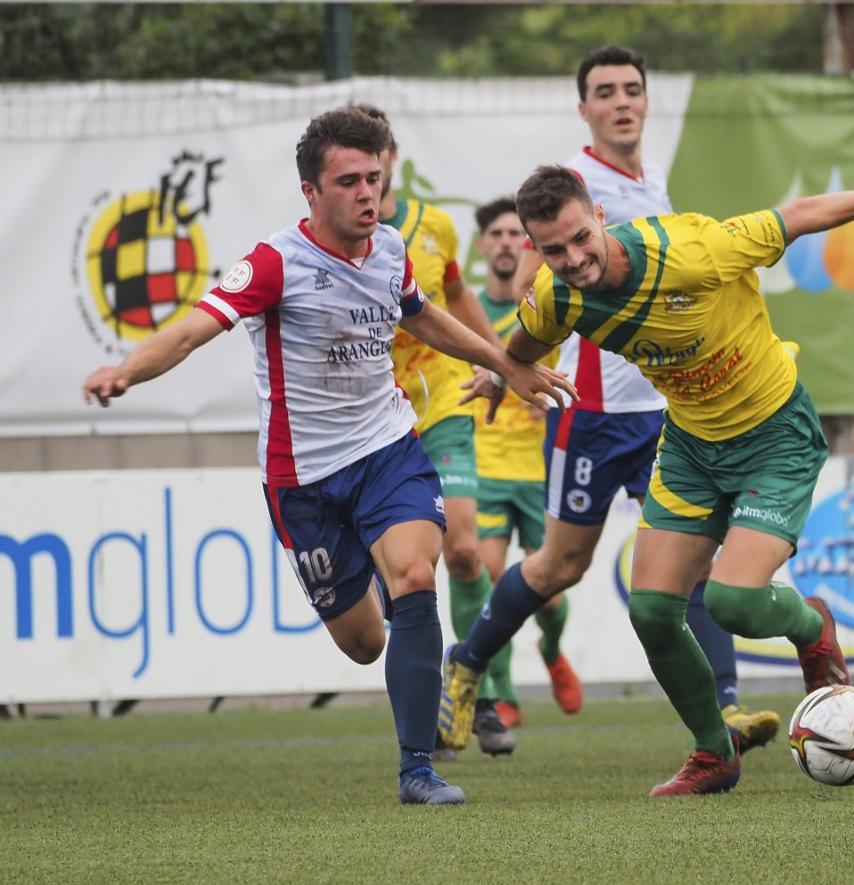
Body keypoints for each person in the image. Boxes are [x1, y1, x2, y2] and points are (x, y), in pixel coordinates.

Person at [80, 108, 575, 805]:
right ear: (311, 192)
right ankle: (388, 619)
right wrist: (128, 370)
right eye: (348, 181)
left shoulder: (393, 250)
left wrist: (505, 364)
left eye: (374, 177)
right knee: (365, 643)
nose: (367, 193)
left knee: (413, 574)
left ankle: (417, 770)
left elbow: (423, 314)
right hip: (303, 479)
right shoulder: (275, 262)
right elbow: (195, 326)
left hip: (387, 448)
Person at [444, 161, 854, 796]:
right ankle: (714, 753)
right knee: (652, 611)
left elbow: (798, 217)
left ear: (600, 218)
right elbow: (528, 339)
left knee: (731, 601)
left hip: (773, 437)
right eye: (552, 250)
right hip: (690, 447)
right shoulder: (555, 293)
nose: (571, 259)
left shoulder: (692, 248)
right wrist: (498, 372)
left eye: (579, 239)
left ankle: (812, 627)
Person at [507, 45, 781, 745]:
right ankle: (468, 662)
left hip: (659, 411)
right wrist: (509, 356)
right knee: (560, 565)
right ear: (585, 110)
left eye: (633, 89)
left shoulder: (650, 176)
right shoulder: (577, 187)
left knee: (694, 560)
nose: (622, 102)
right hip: (591, 414)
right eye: (606, 92)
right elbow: (535, 290)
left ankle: (723, 709)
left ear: (648, 101)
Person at [354, 103, 515, 757]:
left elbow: (456, 296)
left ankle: (477, 687)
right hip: (373, 423)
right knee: (402, 576)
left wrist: (499, 360)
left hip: (441, 401)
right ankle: (437, 699)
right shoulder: (335, 243)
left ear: (391, 158)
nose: (370, 172)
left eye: (378, 155)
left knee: (466, 551)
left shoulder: (436, 227)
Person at [471, 197, 582, 728]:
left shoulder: (543, 309)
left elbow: (578, 371)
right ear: (481, 246)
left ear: (530, 247)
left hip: (540, 472)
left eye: (516, 234)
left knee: (549, 595)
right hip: (487, 469)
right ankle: (502, 691)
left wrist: (560, 405)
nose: (505, 242)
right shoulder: (464, 314)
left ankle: (553, 650)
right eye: (495, 234)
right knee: (489, 578)